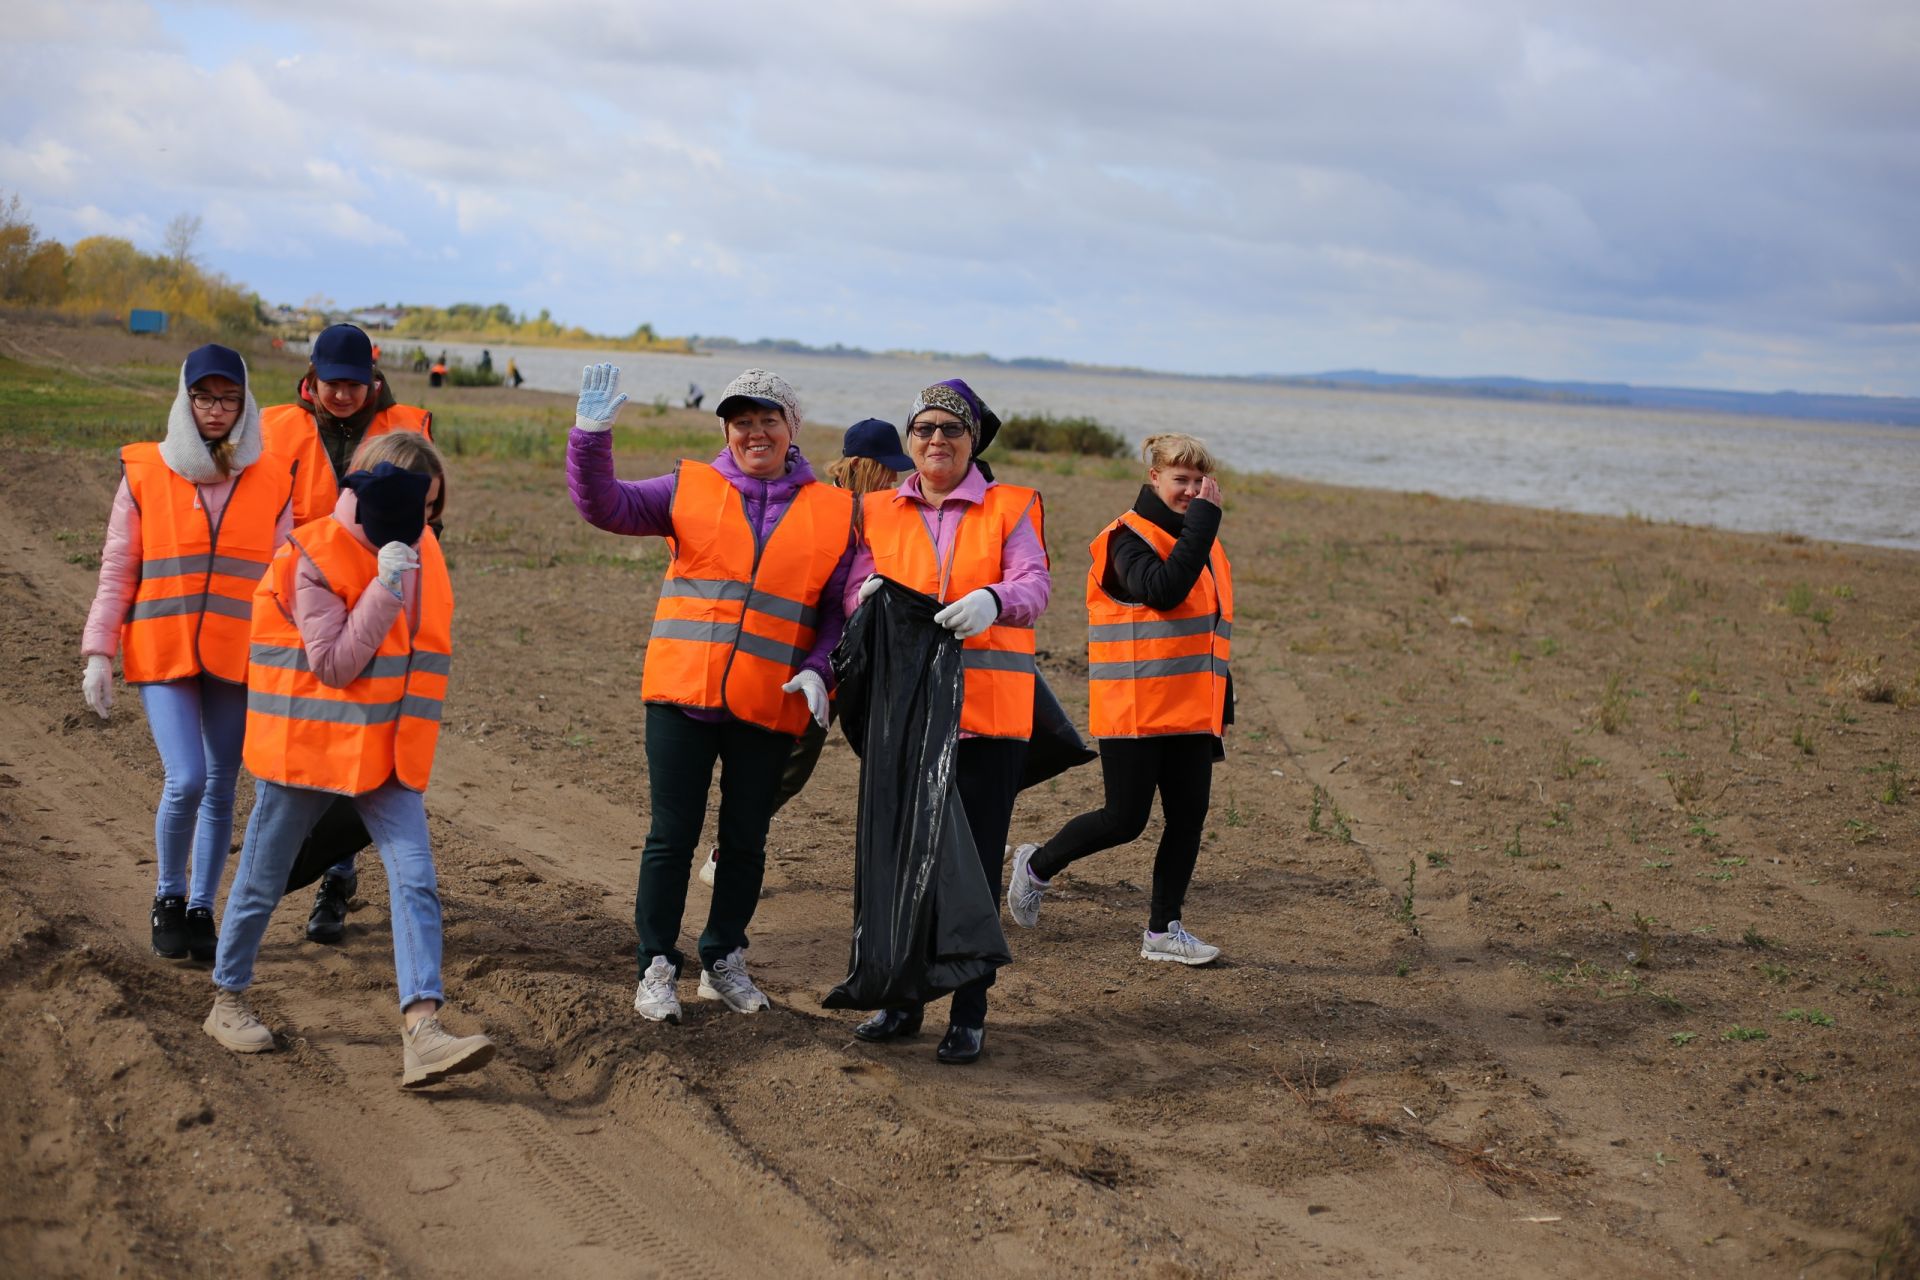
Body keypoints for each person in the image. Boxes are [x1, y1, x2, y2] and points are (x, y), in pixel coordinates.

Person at [204, 431, 496, 1089]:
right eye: (415, 508)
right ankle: (227, 998)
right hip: (307, 749)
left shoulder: (426, 553)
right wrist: (385, 587)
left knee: (415, 877)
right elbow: (335, 663)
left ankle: (422, 1030)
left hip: (385, 754)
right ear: (367, 488)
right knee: (261, 876)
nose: (423, 525)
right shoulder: (311, 552)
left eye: (432, 511)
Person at [568, 365, 857, 1024]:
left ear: (792, 428)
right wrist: (590, 437)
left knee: (745, 842)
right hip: (681, 696)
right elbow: (603, 504)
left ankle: (722, 958)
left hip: (769, 701)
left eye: (767, 419)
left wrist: (822, 669)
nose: (755, 432)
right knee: (671, 837)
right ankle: (656, 966)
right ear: (726, 430)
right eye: (741, 421)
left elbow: (839, 615)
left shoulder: (836, 511)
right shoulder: (687, 488)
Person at [843, 379, 1049, 1064]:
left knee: (975, 869)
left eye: (951, 430)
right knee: (903, 860)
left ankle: (970, 1012)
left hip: (987, 719)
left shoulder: (1010, 507)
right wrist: (861, 599)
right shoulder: (878, 510)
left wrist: (995, 598)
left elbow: (1034, 583)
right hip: (903, 715)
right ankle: (901, 1000)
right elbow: (854, 581)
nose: (937, 439)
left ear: (972, 441)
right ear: (909, 439)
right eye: (925, 428)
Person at [80, 344, 296, 961]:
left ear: (244, 401)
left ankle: (203, 907)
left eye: (228, 397)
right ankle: (168, 895)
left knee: (224, 785)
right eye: (204, 396)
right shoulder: (144, 471)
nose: (216, 409)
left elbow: (286, 577)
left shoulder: (275, 476)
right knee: (188, 780)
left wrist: (292, 660)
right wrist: (99, 650)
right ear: (186, 398)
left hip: (239, 654)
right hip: (163, 646)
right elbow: (119, 566)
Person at [1007, 433, 1233, 964]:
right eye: (1181, 481)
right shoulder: (1124, 538)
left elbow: (1205, 631)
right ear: (1154, 478)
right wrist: (1204, 522)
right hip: (1135, 708)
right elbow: (1163, 589)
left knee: (1188, 817)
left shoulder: (1204, 541)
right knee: (1124, 820)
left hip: (1192, 711)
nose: (1192, 491)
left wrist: (1222, 703)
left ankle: (1162, 932)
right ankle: (1036, 866)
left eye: (1200, 482)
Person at [259, 322, 435, 944]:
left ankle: (336, 876)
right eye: (333, 384)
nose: (343, 395)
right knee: (299, 746)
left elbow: (430, 509)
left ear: (373, 381)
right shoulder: (276, 425)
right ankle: (268, 879)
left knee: (361, 744)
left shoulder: (404, 424)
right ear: (312, 378)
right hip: (302, 597)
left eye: (355, 385)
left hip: (377, 590)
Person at [696, 417, 911, 888]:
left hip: (864, 658)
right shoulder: (822, 505)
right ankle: (727, 849)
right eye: (887, 470)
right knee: (792, 764)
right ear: (864, 468)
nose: (895, 479)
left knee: (892, 755)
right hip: (808, 654)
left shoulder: (887, 510)